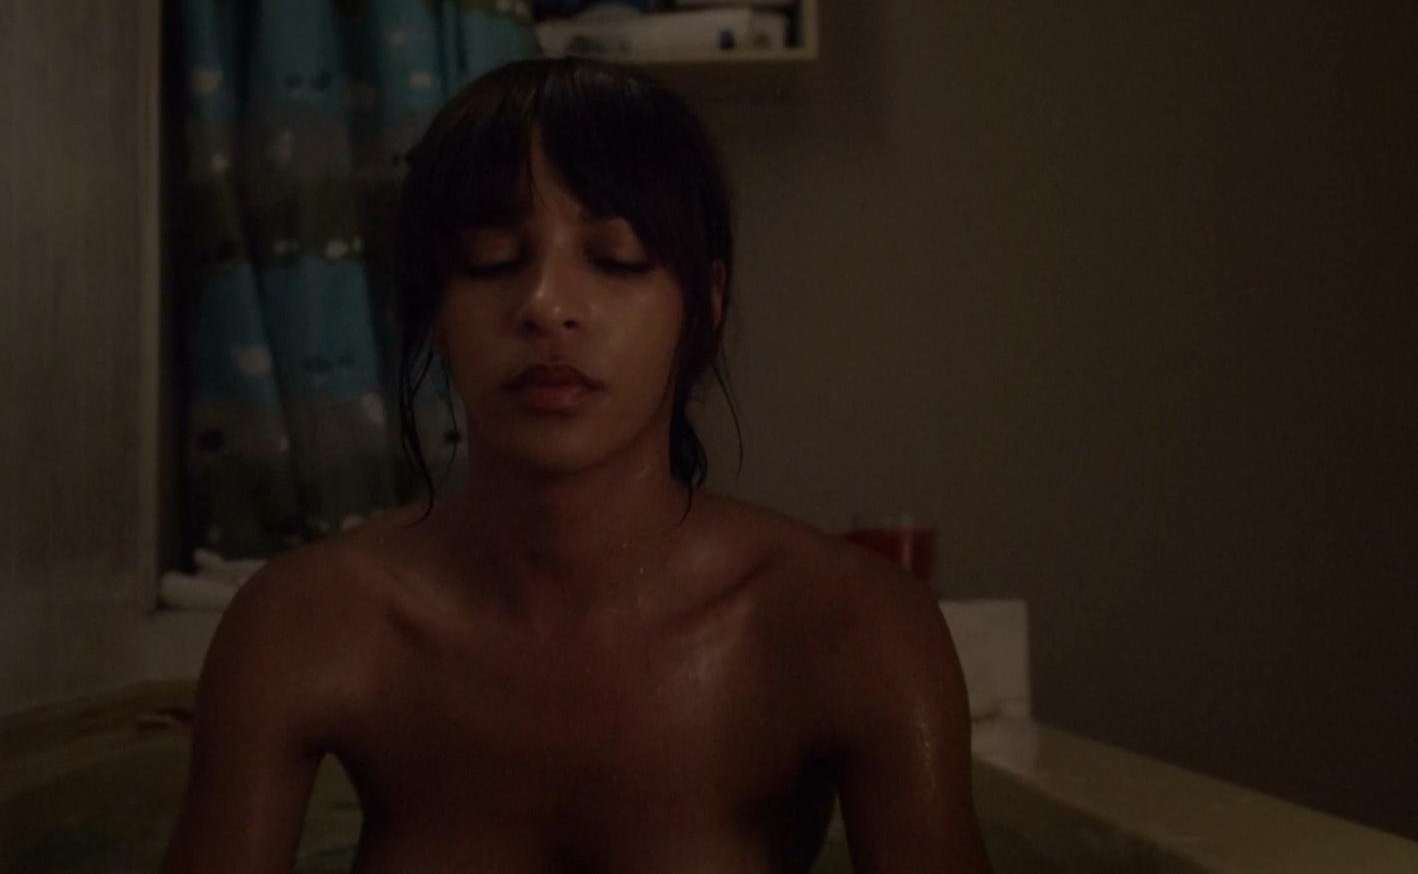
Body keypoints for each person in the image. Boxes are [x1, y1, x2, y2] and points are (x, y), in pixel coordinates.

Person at [163, 57, 990, 872]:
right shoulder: (307, 625)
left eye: (616, 258)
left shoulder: (853, 628)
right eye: (491, 259)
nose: (546, 307)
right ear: (435, 312)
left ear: (705, 305)